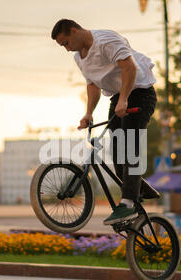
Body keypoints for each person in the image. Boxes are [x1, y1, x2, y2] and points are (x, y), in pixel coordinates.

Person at [51, 19, 159, 225]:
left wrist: (125, 99)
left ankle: (128, 203)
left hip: (140, 93)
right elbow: (92, 85)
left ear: (74, 31)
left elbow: (129, 68)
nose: (66, 49)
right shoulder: (79, 57)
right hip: (119, 97)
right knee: (118, 158)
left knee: (130, 148)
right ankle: (141, 190)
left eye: (65, 43)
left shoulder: (106, 40)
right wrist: (88, 113)